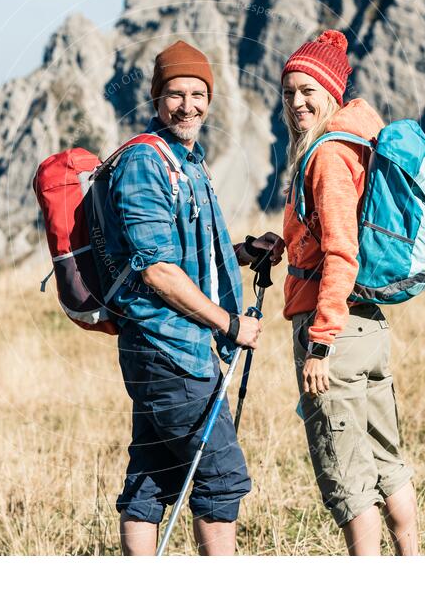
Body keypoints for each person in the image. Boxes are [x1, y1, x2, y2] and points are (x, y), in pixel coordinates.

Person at [102, 40, 283, 555]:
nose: (189, 105)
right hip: (170, 350)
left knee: (153, 474)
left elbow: (189, 255)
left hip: (165, 348)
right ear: (157, 99)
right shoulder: (145, 162)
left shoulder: (185, 160)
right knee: (221, 479)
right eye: (176, 94)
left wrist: (246, 251)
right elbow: (157, 269)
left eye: (198, 93)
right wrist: (228, 323)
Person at [280, 30, 419, 555]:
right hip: (368, 326)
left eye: (308, 90)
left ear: (332, 91)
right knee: (388, 462)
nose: (297, 103)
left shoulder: (327, 157)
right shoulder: (355, 142)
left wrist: (319, 343)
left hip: (334, 334)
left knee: (349, 481)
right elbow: (329, 240)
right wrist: (286, 245)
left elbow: (342, 251)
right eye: (289, 92)